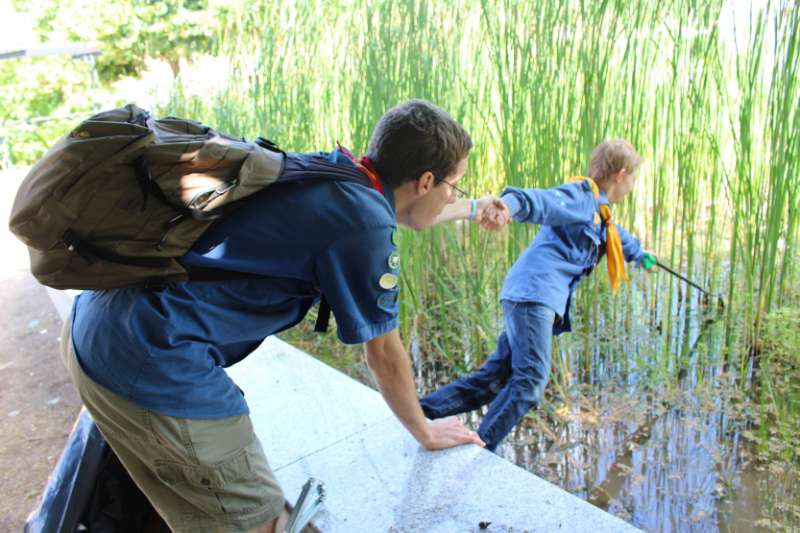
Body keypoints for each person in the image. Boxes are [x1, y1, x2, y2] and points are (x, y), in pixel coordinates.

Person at [60, 99, 502, 533]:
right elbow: (383, 353)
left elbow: (407, 212)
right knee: (262, 522)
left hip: (99, 323)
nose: (453, 195)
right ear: (426, 181)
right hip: (153, 358)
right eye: (455, 187)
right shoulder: (366, 225)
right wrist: (423, 429)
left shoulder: (337, 174)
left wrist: (473, 206)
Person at [420, 139, 656, 452]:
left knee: (494, 378)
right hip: (534, 296)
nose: (632, 185)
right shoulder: (580, 196)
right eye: (633, 178)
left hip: (529, 296)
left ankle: (419, 412)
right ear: (620, 174)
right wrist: (507, 206)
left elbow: (617, 237)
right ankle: (479, 449)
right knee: (531, 379)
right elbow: (539, 201)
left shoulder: (601, 214)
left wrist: (641, 256)